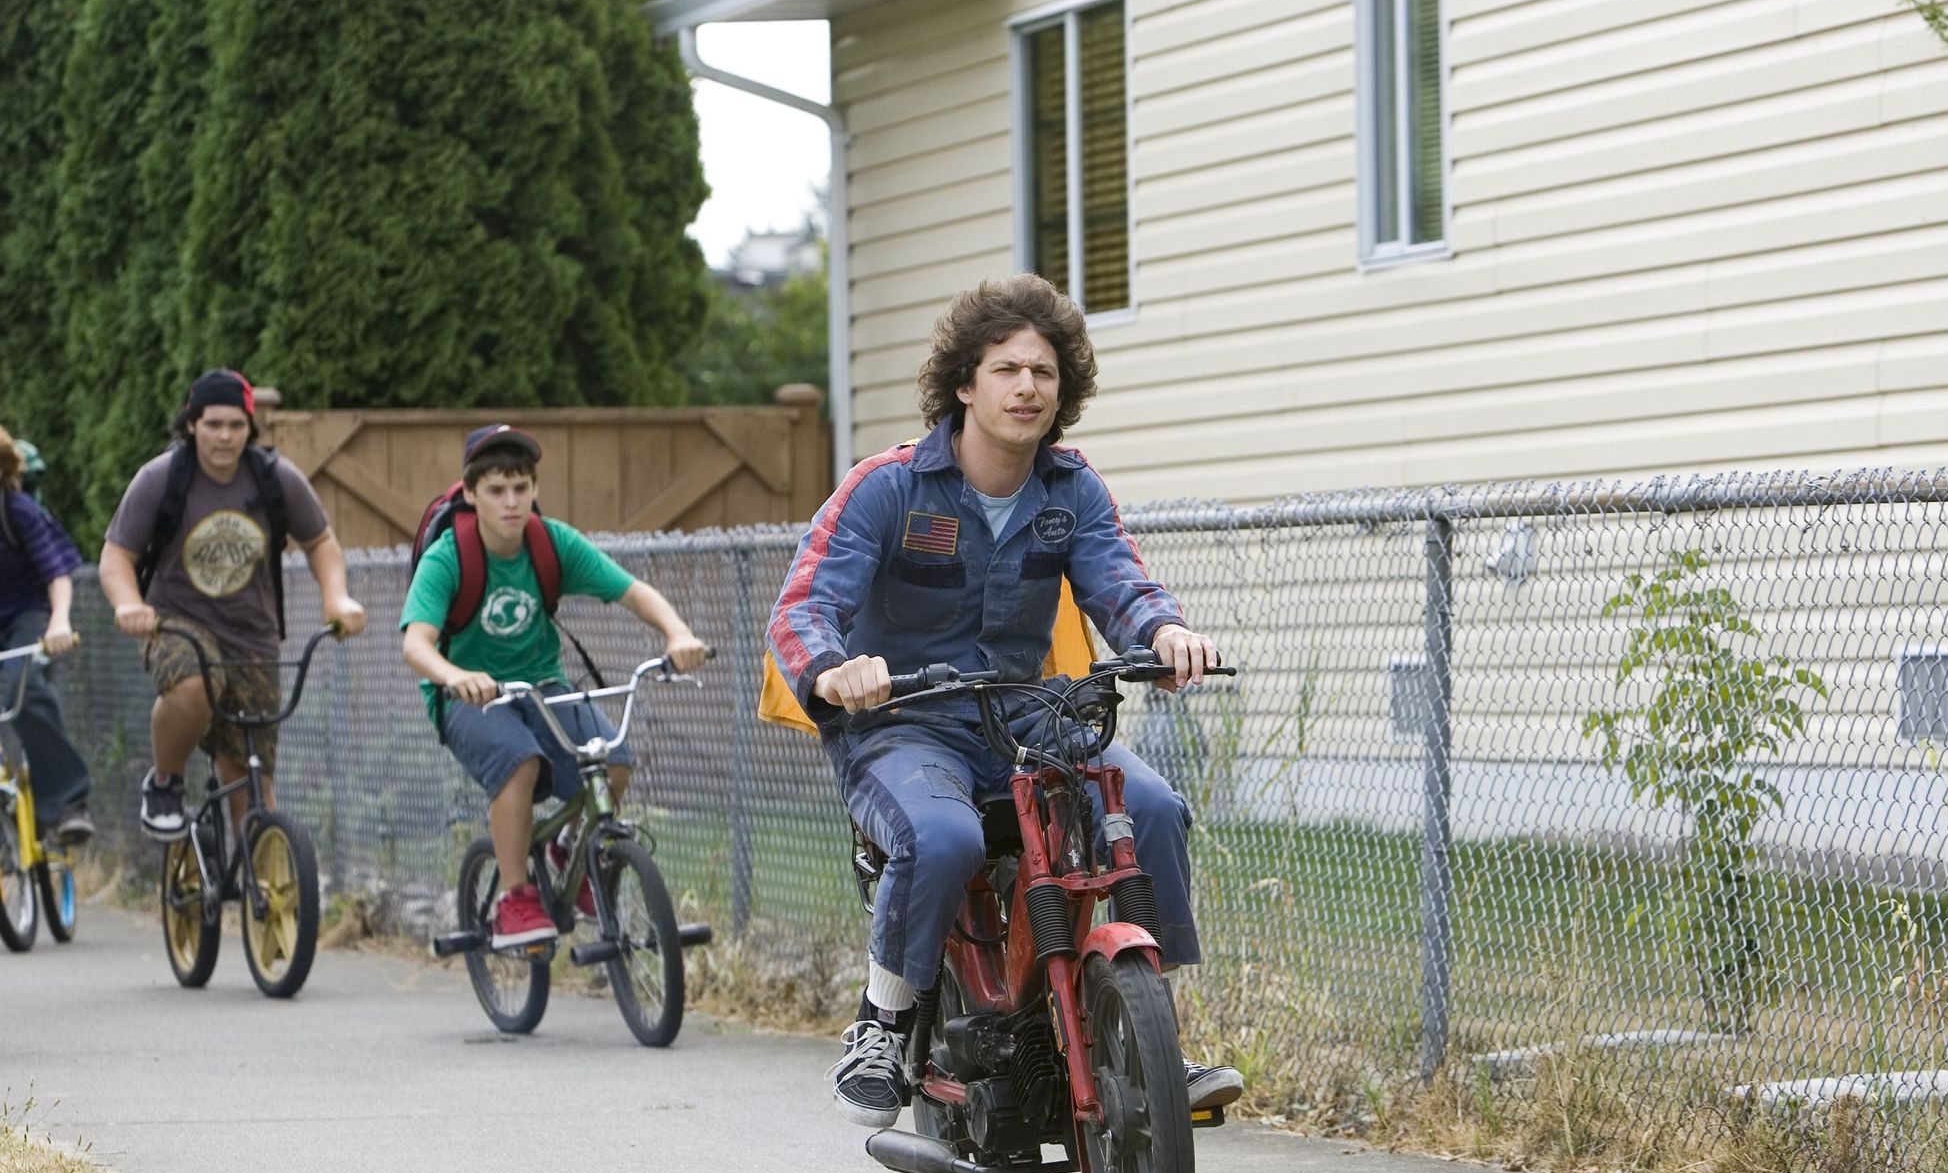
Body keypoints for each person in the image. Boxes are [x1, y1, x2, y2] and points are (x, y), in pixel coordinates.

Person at [767, 272, 1244, 1127]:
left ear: (1065, 390)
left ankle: (1154, 1033)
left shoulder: (1071, 489)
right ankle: (881, 1023)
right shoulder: (890, 487)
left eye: (1045, 372)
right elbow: (803, 606)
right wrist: (837, 669)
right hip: (906, 725)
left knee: (1157, 807)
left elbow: (1121, 585)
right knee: (943, 835)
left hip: (1029, 717)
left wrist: (1165, 632)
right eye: (1006, 369)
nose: (1028, 387)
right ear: (963, 383)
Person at [399, 424, 709, 949]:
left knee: (613, 758)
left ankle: (570, 849)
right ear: (472, 495)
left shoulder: (551, 543)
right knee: (519, 762)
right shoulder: (449, 556)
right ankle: (515, 896)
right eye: (496, 491)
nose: (511, 502)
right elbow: (416, 644)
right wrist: (456, 677)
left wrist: (677, 632)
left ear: (534, 490)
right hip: (466, 698)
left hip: (543, 686)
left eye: (521, 488)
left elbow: (633, 593)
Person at [99, 368, 367, 839]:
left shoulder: (275, 479)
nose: (225, 436)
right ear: (191, 425)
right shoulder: (160, 479)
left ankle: (257, 891)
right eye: (213, 424)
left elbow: (321, 542)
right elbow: (116, 557)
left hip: (252, 636)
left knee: (251, 782)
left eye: (236, 426)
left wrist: (337, 597)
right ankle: (165, 781)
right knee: (192, 684)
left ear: (250, 428)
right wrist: (128, 605)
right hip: (176, 625)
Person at [0, 425, 92, 843]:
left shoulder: (17, 510)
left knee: (23, 686)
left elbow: (57, 572)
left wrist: (59, 621)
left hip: (27, 615)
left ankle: (66, 801)